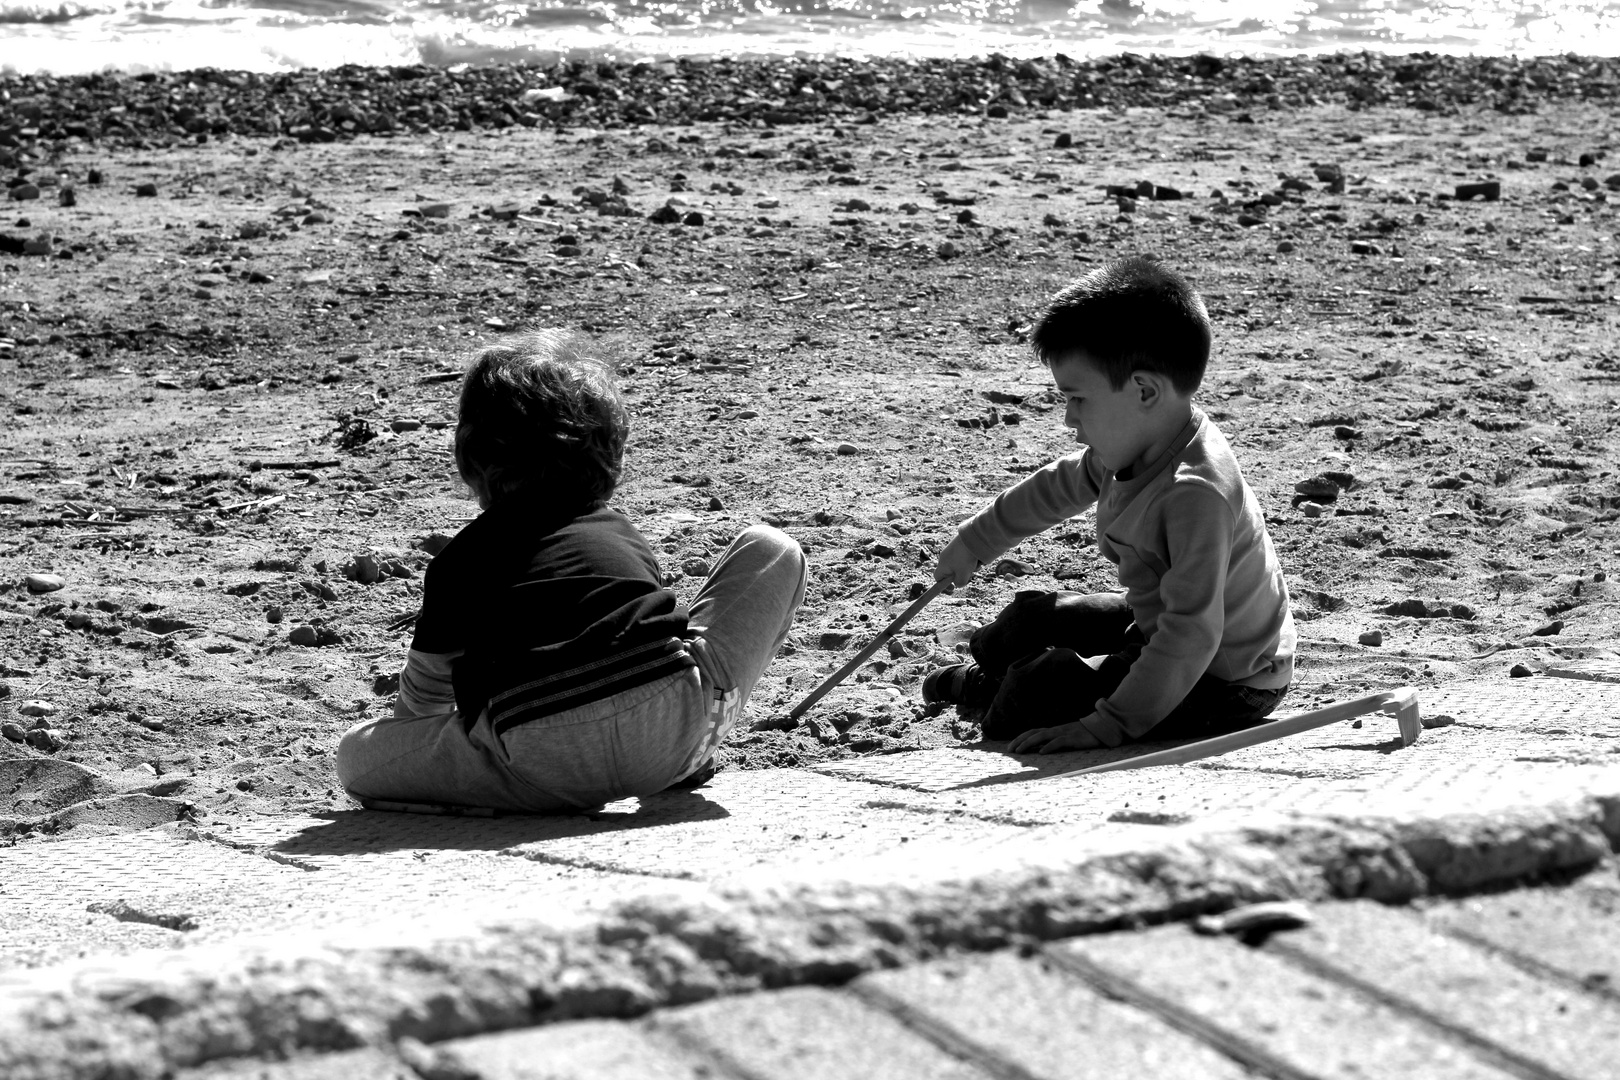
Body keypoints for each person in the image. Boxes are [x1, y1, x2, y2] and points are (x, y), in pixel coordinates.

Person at [336, 329, 806, 812]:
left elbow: (424, 700)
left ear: (471, 459)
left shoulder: (461, 560)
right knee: (773, 547)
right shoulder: (620, 535)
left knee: (356, 754)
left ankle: (500, 799)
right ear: (612, 454)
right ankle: (690, 750)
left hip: (537, 762)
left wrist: (412, 741)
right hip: (673, 730)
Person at [924, 256, 1294, 754]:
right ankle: (992, 673)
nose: (1067, 418)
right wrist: (976, 539)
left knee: (1042, 687)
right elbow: (1058, 487)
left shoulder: (1196, 494)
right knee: (1033, 617)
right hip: (1157, 624)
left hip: (1222, 678)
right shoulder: (1139, 442)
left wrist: (1107, 726)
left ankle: (991, 691)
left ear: (1143, 390)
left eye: (1077, 399)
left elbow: (1191, 635)